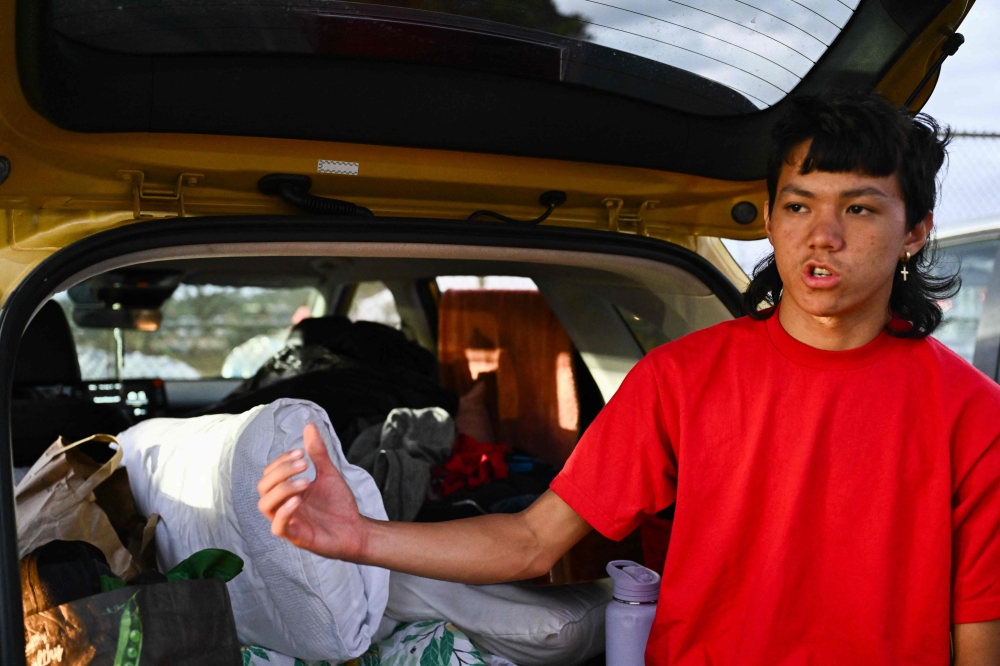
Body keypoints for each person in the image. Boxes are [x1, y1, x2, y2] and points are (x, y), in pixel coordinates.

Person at [257, 93, 1000, 665]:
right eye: (798, 205)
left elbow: (980, 633)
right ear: (772, 222)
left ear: (915, 232)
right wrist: (360, 536)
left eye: (859, 208)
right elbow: (531, 540)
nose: (823, 236)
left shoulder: (973, 414)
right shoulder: (681, 378)